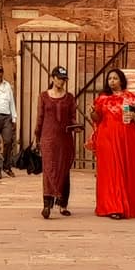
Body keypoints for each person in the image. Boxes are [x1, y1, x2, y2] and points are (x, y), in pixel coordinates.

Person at [88, 69, 135, 218]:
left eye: (115, 78)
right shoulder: (102, 99)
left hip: (128, 139)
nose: (112, 81)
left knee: (127, 171)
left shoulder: (131, 98)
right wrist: (92, 112)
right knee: (112, 173)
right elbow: (97, 119)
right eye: (109, 79)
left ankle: (131, 205)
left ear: (121, 80)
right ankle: (113, 207)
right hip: (107, 138)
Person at [35, 65, 80, 218]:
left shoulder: (69, 98)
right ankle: (47, 204)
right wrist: (37, 136)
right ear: (53, 78)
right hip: (48, 138)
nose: (61, 82)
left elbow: (73, 116)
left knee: (63, 170)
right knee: (48, 169)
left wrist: (76, 126)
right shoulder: (43, 96)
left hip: (64, 139)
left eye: (64, 79)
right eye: (59, 78)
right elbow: (40, 118)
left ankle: (62, 203)